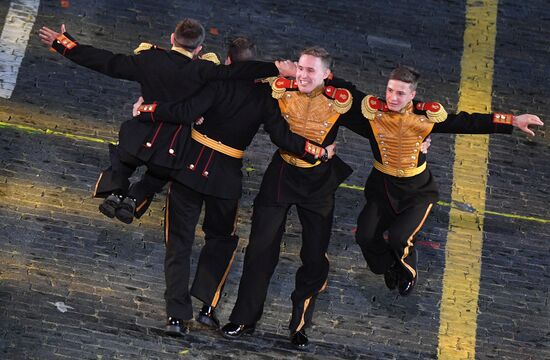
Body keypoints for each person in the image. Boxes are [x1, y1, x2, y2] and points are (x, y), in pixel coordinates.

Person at [133, 37, 334, 337]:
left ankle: (176, 316)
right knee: (221, 241)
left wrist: (146, 109)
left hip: (188, 171)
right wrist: (317, 151)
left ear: (228, 62)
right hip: (225, 181)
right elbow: (281, 137)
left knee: (179, 244)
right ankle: (208, 307)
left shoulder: (213, 84)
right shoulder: (265, 97)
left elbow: (182, 111)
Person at [38, 20, 295, 223]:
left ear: (173, 39)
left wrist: (65, 44)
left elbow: (108, 62)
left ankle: (116, 190)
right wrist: (276, 68)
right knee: (155, 178)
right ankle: (135, 198)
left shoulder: (149, 59)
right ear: (199, 48)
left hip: (137, 138)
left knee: (122, 161)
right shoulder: (204, 71)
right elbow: (240, 70)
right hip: (170, 150)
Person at [216, 46, 374, 350]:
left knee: (314, 256)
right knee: (261, 248)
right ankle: (244, 318)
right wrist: (319, 150)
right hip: (282, 175)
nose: (302, 75)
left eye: (310, 70)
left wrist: (419, 142)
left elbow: (378, 123)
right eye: (300, 68)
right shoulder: (279, 91)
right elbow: (278, 133)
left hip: (319, 184)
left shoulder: (340, 99)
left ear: (327, 75)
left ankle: (299, 326)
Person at [348, 66, 543, 297]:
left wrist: (512, 120)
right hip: (382, 190)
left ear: (412, 95)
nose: (392, 97)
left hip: (416, 193)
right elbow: (342, 102)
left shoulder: (425, 119)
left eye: (400, 93)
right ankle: (388, 266)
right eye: (390, 90)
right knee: (365, 236)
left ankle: (407, 271)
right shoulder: (374, 115)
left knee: (400, 237)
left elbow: (467, 123)